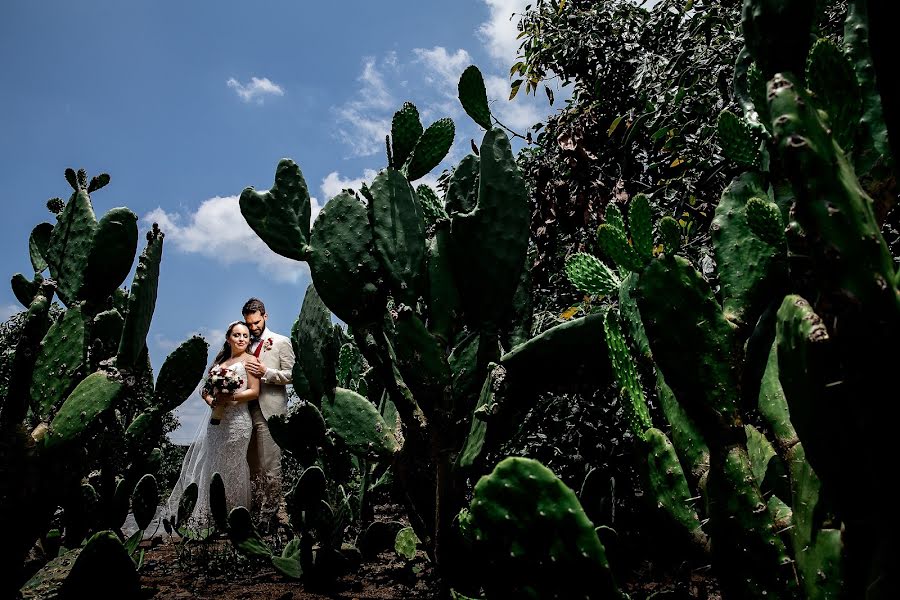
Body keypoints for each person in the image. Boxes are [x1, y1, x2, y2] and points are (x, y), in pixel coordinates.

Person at [165, 321, 260, 529]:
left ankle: (234, 516)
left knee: (234, 465)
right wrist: (213, 402)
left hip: (239, 422)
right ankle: (209, 517)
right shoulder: (220, 363)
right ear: (228, 338)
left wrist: (231, 397)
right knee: (214, 463)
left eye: (245, 335)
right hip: (216, 423)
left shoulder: (251, 361)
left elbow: (254, 391)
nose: (242, 339)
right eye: (237, 335)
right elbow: (205, 390)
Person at [241, 298, 295, 530]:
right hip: (243, 412)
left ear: (265, 316)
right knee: (249, 465)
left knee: (270, 464)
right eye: (249, 323)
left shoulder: (281, 342)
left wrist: (267, 372)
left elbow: (293, 375)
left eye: (256, 322)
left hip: (270, 411)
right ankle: (253, 511)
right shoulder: (242, 342)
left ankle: (268, 516)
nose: (253, 328)